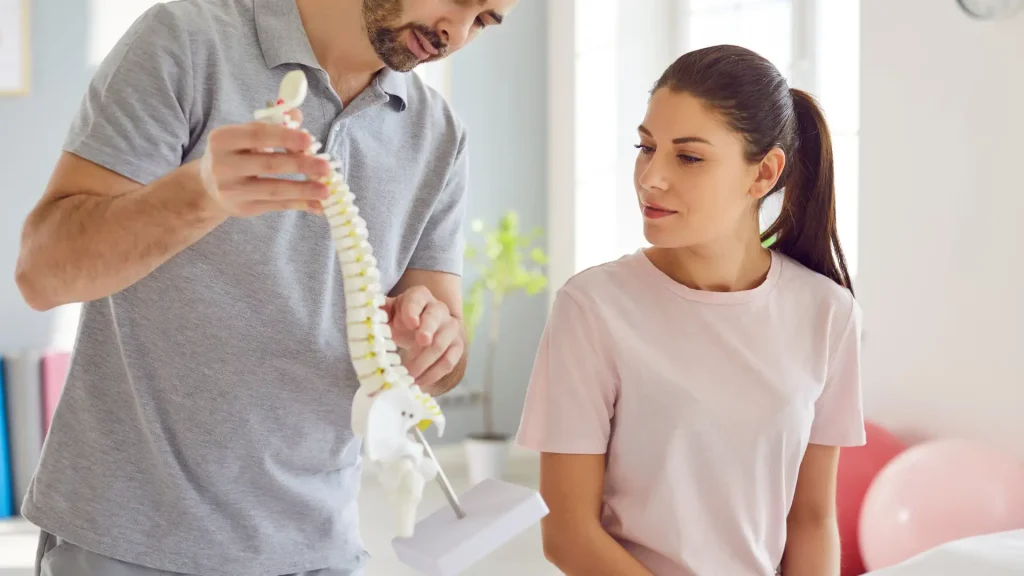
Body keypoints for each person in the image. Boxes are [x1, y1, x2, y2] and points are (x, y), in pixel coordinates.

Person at [14, 0, 517, 574]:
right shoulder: (186, 42)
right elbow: (42, 274)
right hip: (127, 541)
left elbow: (443, 358)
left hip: (318, 550)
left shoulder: (439, 136)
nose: (457, 32)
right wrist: (202, 193)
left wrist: (434, 342)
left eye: (484, 20)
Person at [516, 44, 866, 576]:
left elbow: (812, 520)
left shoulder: (827, 313)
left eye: (689, 157)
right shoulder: (592, 308)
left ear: (763, 173)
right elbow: (568, 534)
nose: (650, 177)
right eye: (646, 147)